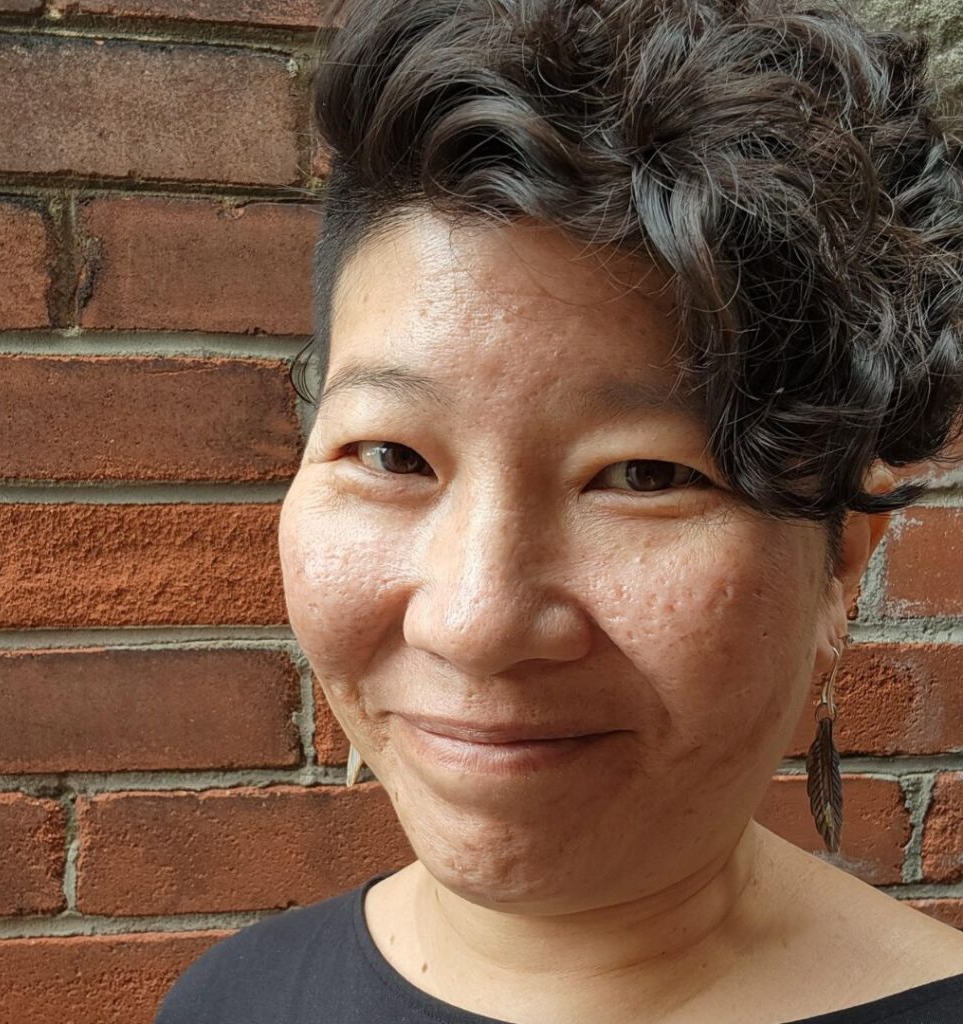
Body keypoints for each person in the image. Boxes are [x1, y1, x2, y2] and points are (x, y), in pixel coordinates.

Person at [155, 0, 963, 1021]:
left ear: (841, 561)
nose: (473, 622)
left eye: (642, 476)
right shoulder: (232, 1002)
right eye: (393, 454)